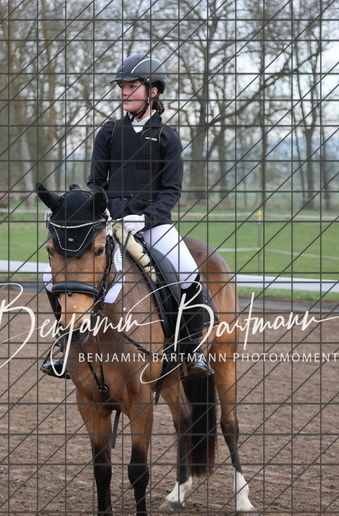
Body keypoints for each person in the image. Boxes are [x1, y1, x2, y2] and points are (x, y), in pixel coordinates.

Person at [42, 53, 212, 377]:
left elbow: (171, 192)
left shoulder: (167, 137)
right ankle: (67, 346)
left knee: (188, 275)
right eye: (122, 86)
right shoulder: (108, 133)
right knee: (53, 278)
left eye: (132, 86)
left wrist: (146, 219)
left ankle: (191, 349)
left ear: (153, 91)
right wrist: (100, 211)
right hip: (109, 223)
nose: (124, 92)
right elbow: (96, 183)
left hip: (153, 225)